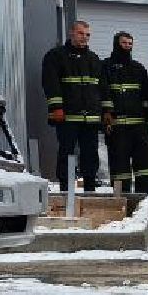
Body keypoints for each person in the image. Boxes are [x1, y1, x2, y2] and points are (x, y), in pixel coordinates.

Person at [40, 19, 105, 193]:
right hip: (67, 116)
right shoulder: (56, 56)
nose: (84, 38)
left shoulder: (94, 59)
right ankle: (66, 190)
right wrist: (56, 108)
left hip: (90, 118)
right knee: (67, 153)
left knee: (90, 154)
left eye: (87, 34)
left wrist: (103, 112)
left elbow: (100, 88)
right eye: (81, 33)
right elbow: (50, 83)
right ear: (71, 33)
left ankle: (90, 190)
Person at [100, 32, 148, 194]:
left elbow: (147, 95)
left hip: (139, 127)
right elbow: (103, 92)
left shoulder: (138, 68)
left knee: (147, 167)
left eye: (130, 43)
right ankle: (121, 200)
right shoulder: (105, 67)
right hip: (117, 127)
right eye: (124, 43)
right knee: (120, 167)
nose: (127, 46)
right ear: (116, 44)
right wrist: (106, 113)